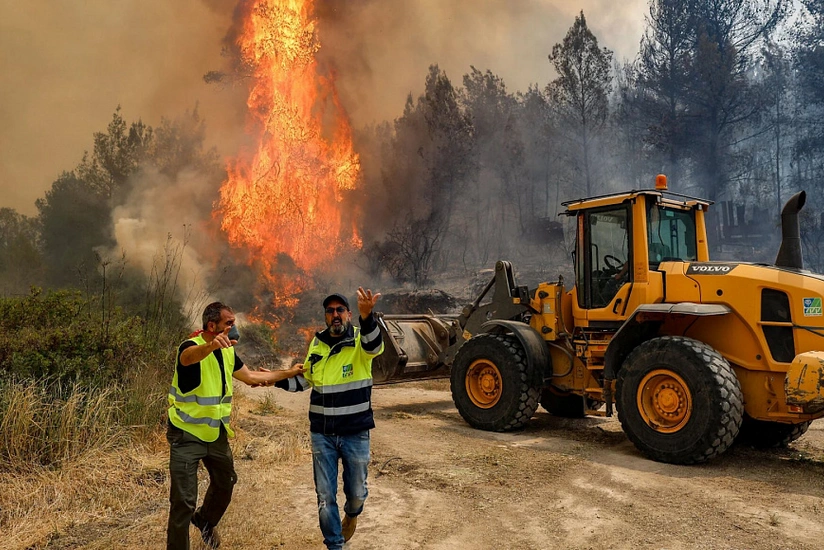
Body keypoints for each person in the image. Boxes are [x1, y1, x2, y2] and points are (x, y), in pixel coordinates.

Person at [166, 301, 305, 550]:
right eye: (229, 323)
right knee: (183, 502)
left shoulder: (229, 350)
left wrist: (288, 373)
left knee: (226, 481)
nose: (234, 327)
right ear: (212, 326)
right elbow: (188, 358)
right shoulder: (191, 346)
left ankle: (205, 520)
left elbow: (251, 377)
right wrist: (209, 346)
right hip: (186, 434)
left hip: (215, 434)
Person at [275, 287, 384, 550]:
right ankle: (335, 545)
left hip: (355, 431)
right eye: (329, 311)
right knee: (325, 496)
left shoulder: (360, 339)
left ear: (348, 314)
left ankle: (352, 514)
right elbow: (306, 380)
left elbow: (375, 346)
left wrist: (367, 316)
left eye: (340, 310)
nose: (335, 315)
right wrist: (274, 379)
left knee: (357, 493)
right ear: (325, 316)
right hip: (322, 433)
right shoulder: (317, 343)